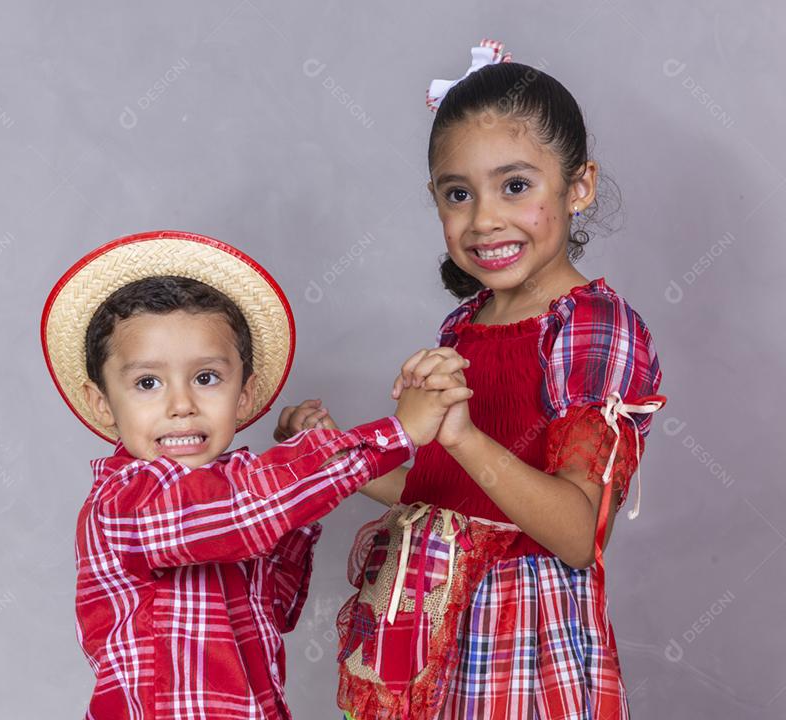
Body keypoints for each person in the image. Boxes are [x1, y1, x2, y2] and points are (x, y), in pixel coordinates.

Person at [277, 40, 667, 719]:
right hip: (424, 620)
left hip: (515, 634)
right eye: (459, 194)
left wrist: (461, 436)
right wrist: (338, 453)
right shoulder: (463, 323)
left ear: (579, 186)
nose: (484, 218)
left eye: (515, 186)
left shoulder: (592, 327)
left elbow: (579, 535)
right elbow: (440, 495)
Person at [40, 230, 474, 719]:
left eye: (206, 378)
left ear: (243, 395)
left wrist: (297, 484)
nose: (181, 405)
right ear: (102, 403)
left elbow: (277, 606)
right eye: (147, 382)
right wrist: (397, 433)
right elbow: (246, 510)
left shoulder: (236, 498)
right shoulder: (126, 502)